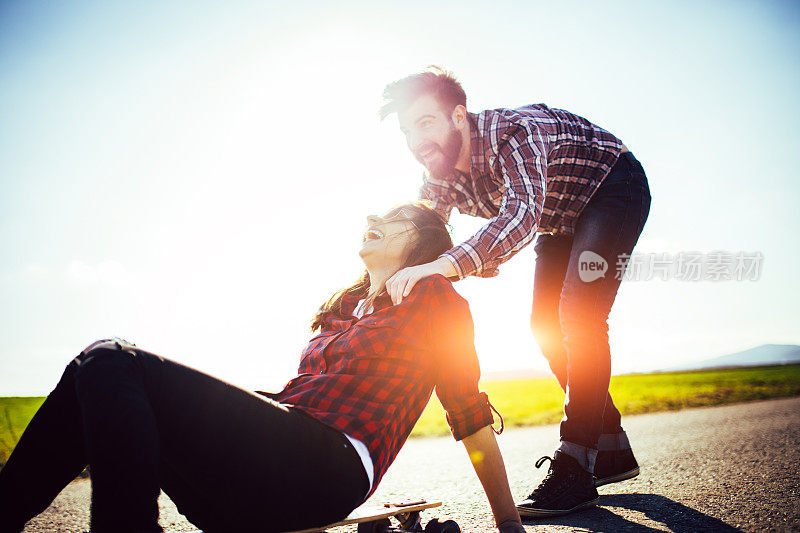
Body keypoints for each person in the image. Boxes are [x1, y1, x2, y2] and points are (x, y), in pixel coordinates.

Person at [0, 202, 525, 533]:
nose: (372, 221)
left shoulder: (435, 298)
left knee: (114, 361)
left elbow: (468, 413)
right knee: (91, 372)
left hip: (327, 469)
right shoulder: (344, 308)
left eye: (392, 219)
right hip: (252, 488)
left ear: (423, 241)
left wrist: (508, 524)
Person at [380, 67, 652, 518]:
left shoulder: (514, 133)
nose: (416, 140)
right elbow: (425, 238)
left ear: (459, 117)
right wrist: (381, 281)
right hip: (559, 217)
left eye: (425, 123)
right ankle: (611, 451)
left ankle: (576, 467)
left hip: (612, 189)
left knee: (579, 318)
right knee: (544, 327)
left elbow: (521, 217)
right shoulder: (438, 177)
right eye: (408, 130)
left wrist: (454, 263)